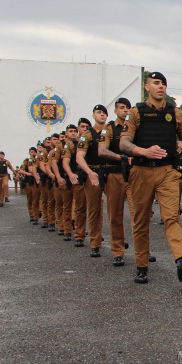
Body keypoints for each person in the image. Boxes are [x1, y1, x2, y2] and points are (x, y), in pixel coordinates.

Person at [119, 71, 182, 284]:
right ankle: (141, 266)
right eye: (156, 83)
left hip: (167, 172)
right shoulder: (136, 112)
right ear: (147, 87)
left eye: (163, 83)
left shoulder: (175, 113)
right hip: (141, 171)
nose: (161, 86)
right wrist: (143, 151)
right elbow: (124, 143)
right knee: (140, 220)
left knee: (171, 216)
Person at [96, 98, 133, 264]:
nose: (125, 111)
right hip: (115, 174)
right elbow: (102, 150)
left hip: (133, 175)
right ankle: (118, 251)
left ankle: (142, 251)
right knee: (115, 215)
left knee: (139, 214)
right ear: (116, 111)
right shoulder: (109, 129)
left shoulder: (135, 127)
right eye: (122, 108)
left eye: (127, 108)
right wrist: (122, 157)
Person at [76, 105, 111, 258]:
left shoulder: (110, 131)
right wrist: (89, 173)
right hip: (94, 172)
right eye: (99, 113)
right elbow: (79, 157)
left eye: (104, 113)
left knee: (115, 210)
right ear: (93, 115)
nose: (102, 115)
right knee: (94, 210)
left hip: (110, 172)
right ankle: (95, 243)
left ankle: (118, 241)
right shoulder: (87, 135)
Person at [50, 125, 79, 241]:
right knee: (66, 205)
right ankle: (66, 229)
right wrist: (58, 177)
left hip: (77, 176)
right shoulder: (60, 146)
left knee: (78, 205)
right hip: (65, 178)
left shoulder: (79, 144)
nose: (73, 133)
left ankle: (78, 228)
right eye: (70, 131)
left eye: (74, 131)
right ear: (66, 133)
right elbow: (54, 162)